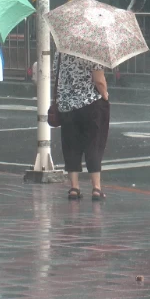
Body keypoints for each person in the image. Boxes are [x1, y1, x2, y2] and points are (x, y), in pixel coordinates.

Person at [53, 52, 110, 201]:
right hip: (90, 105)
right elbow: (99, 80)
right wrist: (105, 94)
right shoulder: (93, 51)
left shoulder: (60, 52)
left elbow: (56, 75)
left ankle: (74, 188)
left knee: (71, 146)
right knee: (94, 145)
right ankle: (96, 188)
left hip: (67, 106)